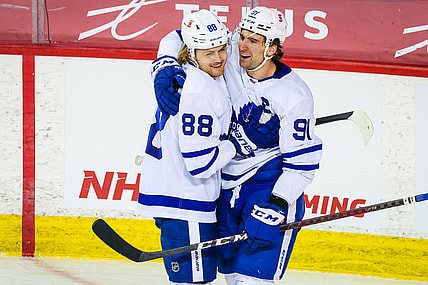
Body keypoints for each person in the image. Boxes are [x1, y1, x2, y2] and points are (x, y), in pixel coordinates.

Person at [151, 7, 323, 285]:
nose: (241, 45)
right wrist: (164, 64)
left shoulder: (294, 96)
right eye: (241, 36)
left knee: (248, 282)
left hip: (266, 189)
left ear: (273, 48)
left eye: (253, 41)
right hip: (226, 189)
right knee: (230, 277)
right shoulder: (227, 53)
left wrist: (276, 204)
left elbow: (302, 167)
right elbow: (177, 35)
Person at [136, 9, 254, 285]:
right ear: (191, 52)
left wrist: (163, 62)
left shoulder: (191, 73)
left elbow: (174, 35)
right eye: (208, 53)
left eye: (221, 49)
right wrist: (236, 144)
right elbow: (200, 164)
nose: (219, 58)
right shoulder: (199, 90)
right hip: (186, 199)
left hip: (176, 195)